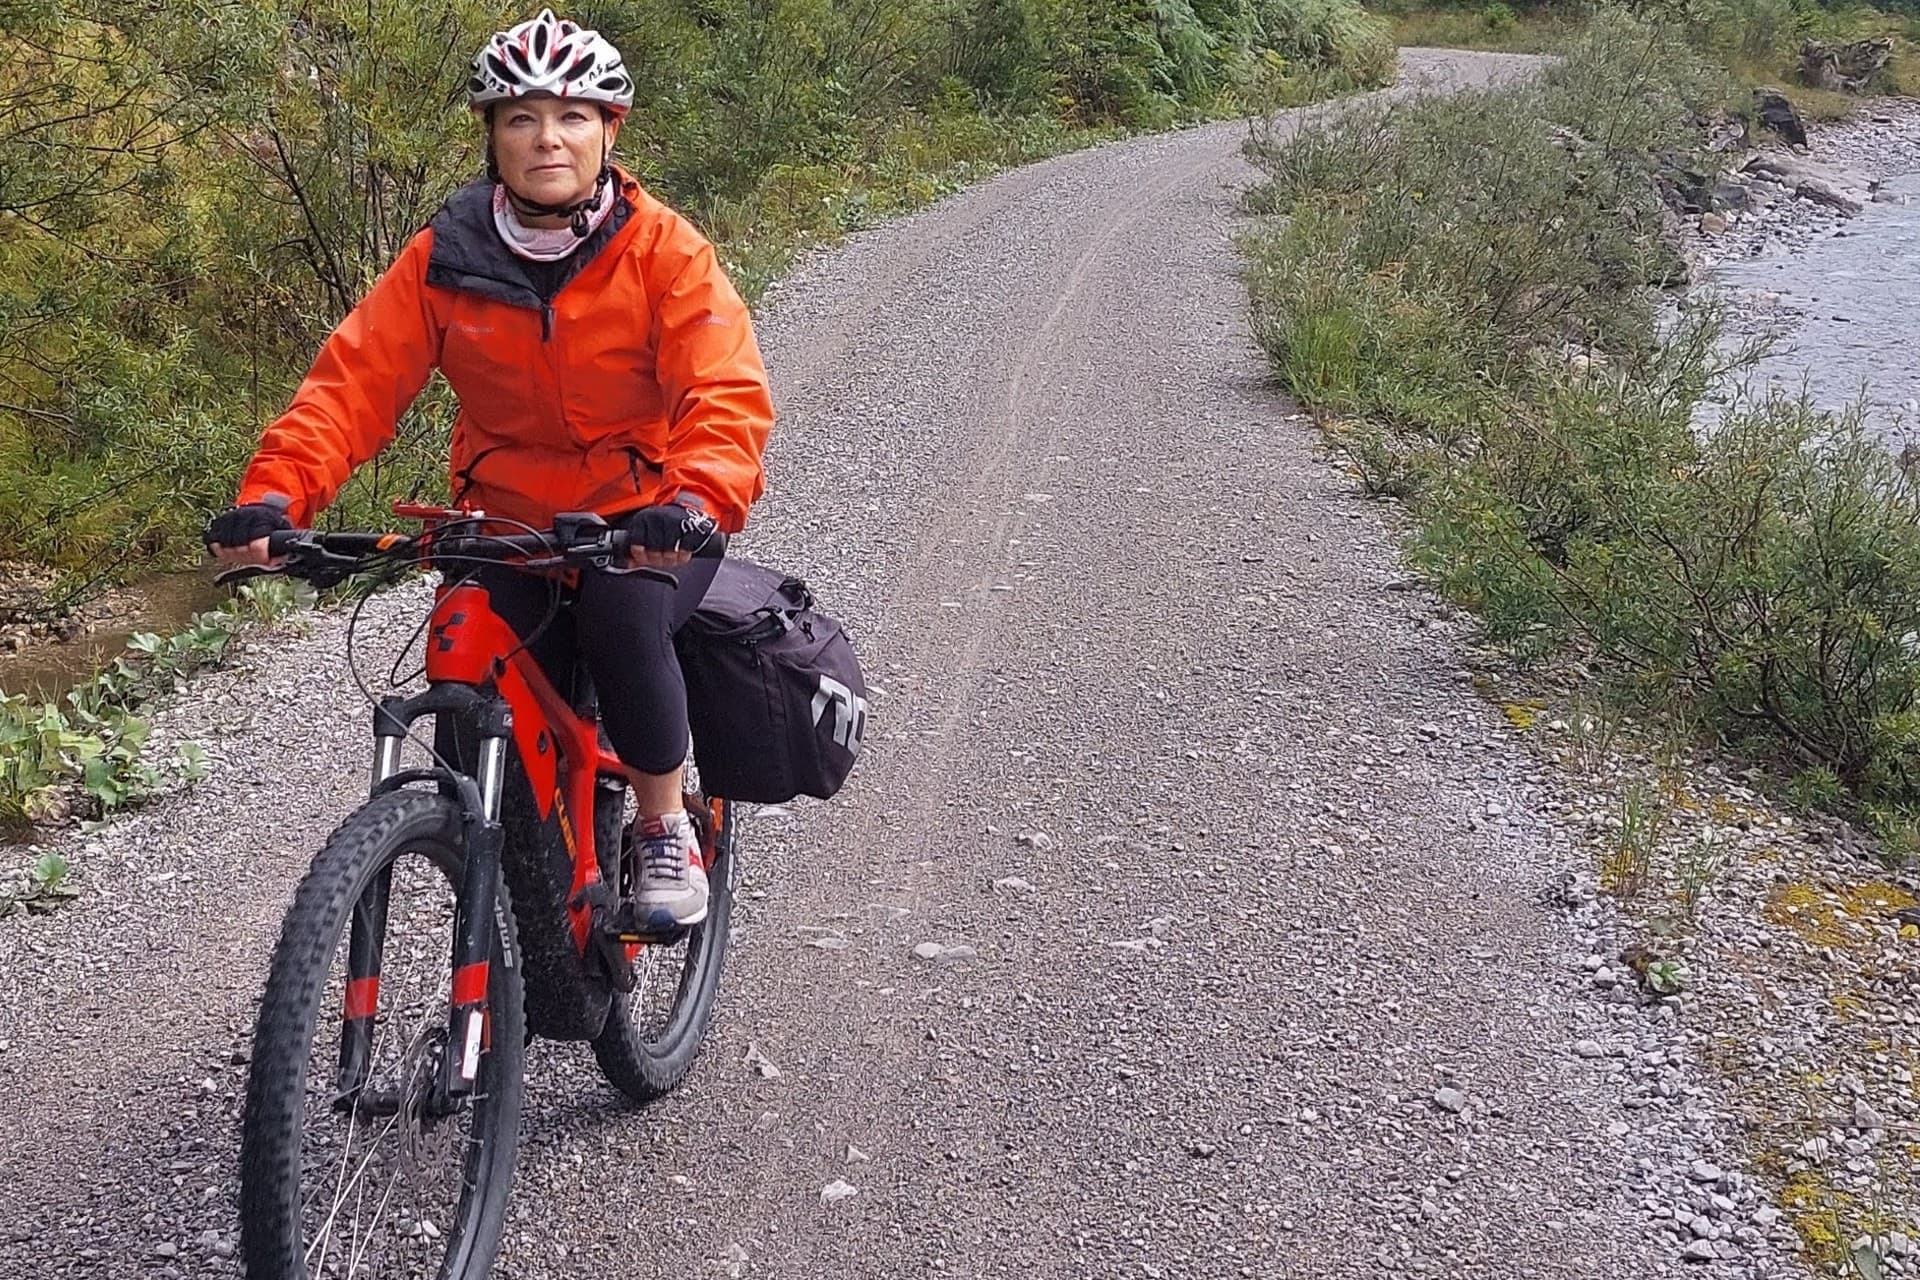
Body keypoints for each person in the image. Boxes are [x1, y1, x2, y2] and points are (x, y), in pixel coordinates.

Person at [204, 9, 775, 930]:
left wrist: (695, 499)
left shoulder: (665, 253)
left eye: (571, 116)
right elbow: (353, 383)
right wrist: (276, 494)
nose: (546, 138)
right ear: (492, 137)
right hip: (504, 522)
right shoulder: (447, 257)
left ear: (607, 131)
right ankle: (496, 865)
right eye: (520, 118)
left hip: (643, 521)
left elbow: (725, 388)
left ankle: (662, 821)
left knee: (627, 619)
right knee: (463, 652)